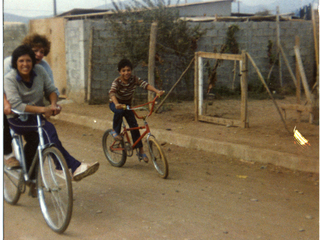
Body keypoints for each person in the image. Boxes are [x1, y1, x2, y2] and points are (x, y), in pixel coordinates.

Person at [4, 45, 99, 196]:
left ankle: (31, 178)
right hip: (17, 119)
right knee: (48, 130)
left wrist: (53, 104)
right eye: (21, 61)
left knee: (37, 143)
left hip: (35, 116)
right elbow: (16, 104)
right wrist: (43, 110)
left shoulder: (40, 71)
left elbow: (51, 90)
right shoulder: (9, 78)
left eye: (28, 60)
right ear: (15, 63)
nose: (25, 64)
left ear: (33, 62)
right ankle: (69, 166)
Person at [3, 33, 59, 168]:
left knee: (36, 138)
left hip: (28, 107)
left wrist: (52, 105)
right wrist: (5, 103)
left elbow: (50, 89)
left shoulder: (43, 67)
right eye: (35, 51)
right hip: (8, 100)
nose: (39, 54)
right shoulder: (9, 64)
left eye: (42, 52)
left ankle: (28, 171)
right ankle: (8, 155)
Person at [109, 59, 164, 163]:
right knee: (119, 112)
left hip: (127, 106)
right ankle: (114, 131)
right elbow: (112, 93)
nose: (126, 73)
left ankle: (141, 151)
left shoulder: (134, 79)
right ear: (120, 72)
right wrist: (116, 104)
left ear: (131, 70)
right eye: (123, 70)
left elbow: (145, 85)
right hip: (115, 103)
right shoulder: (117, 82)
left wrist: (157, 91)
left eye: (128, 70)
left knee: (134, 126)